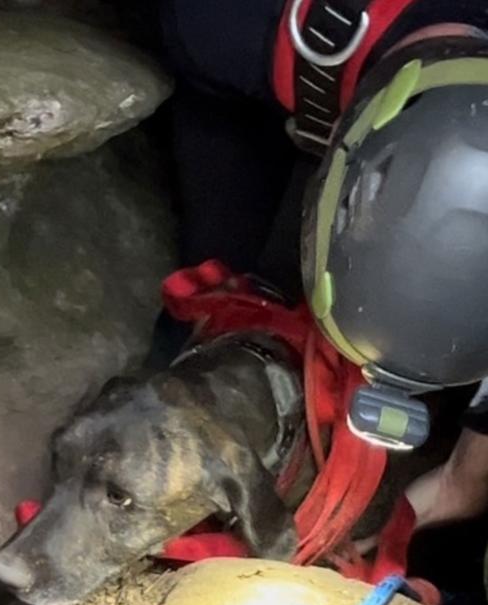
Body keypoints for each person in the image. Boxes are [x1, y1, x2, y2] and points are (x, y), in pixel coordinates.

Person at [150, 1, 488, 530]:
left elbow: (465, 484)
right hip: (257, 51)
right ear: (335, 148)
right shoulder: (213, 25)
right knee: (214, 281)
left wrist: (452, 485)